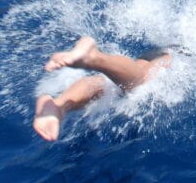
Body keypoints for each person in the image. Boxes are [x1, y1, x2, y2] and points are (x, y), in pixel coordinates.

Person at [33, 36, 171, 141]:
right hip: (175, 53)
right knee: (139, 83)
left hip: (156, 53)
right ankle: (95, 58)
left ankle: (59, 104)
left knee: (105, 84)